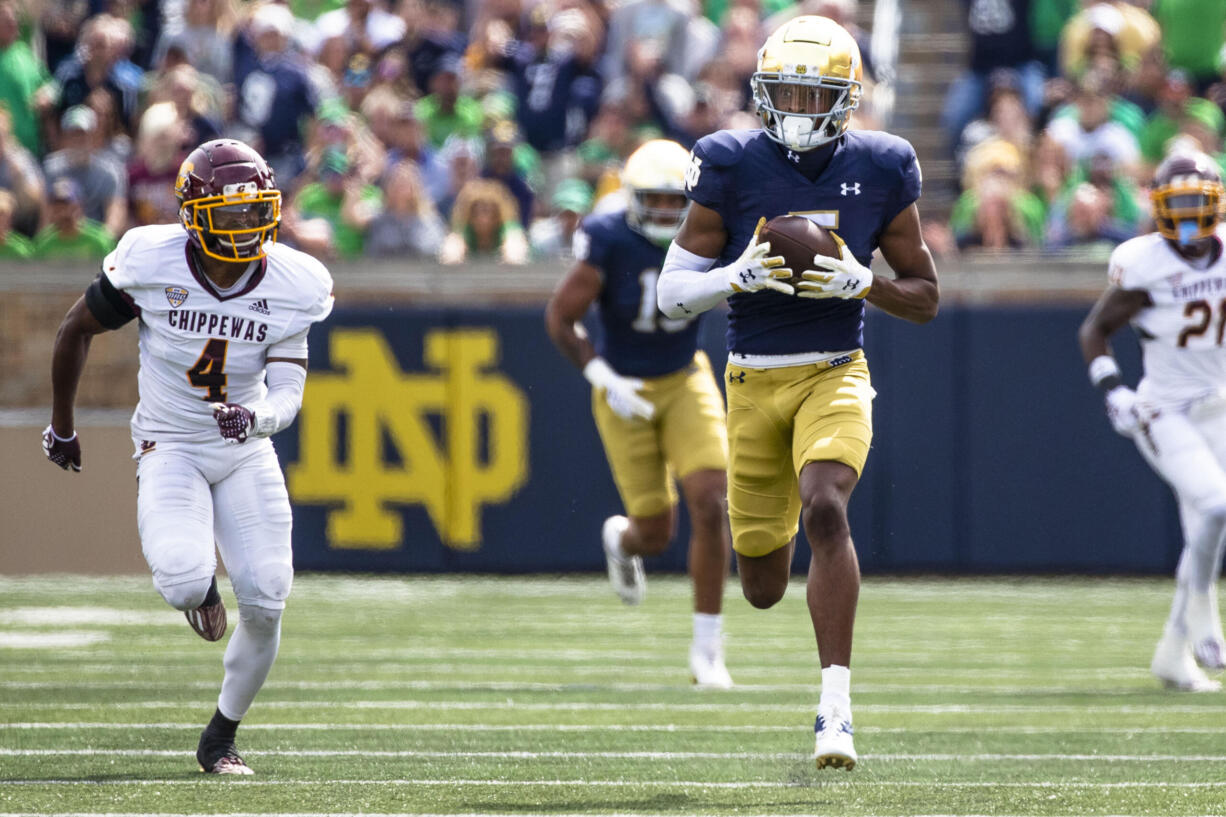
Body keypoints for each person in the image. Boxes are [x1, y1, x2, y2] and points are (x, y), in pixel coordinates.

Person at [655, 15, 939, 769]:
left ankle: (835, 709)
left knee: (825, 504)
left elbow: (926, 295)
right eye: (786, 93)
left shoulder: (883, 166)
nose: (800, 109)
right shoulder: (727, 161)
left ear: (847, 99)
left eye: (816, 95)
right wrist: (731, 277)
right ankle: (780, 603)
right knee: (760, 584)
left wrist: (864, 283)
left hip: (834, 370)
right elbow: (668, 293)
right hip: (752, 379)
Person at [42, 138, 334, 773]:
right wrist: (63, 426)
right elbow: (74, 330)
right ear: (193, 215)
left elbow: (287, 394)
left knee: (266, 595)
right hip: (169, 443)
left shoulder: (294, 282)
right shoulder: (153, 261)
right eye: (228, 215)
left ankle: (221, 736)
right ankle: (201, 590)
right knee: (180, 578)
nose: (243, 226)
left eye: (254, 212)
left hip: (245, 449)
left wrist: (254, 417)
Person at [544, 139, 735, 689]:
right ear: (630, 198)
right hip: (622, 385)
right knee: (656, 532)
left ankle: (707, 649)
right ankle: (624, 541)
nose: (664, 213)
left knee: (710, 500)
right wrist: (602, 375)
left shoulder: (707, 228)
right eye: (652, 200)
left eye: (675, 200)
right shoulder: (608, 239)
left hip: (683, 376)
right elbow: (560, 317)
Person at [1077, 149, 1226, 693]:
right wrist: (1113, 390)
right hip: (1164, 411)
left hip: (1219, 405)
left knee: (1204, 527)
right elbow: (1095, 332)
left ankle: (1172, 654)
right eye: (1177, 203)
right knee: (1216, 507)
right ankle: (1206, 621)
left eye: (1198, 202)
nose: (1188, 215)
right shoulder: (1146, 262)